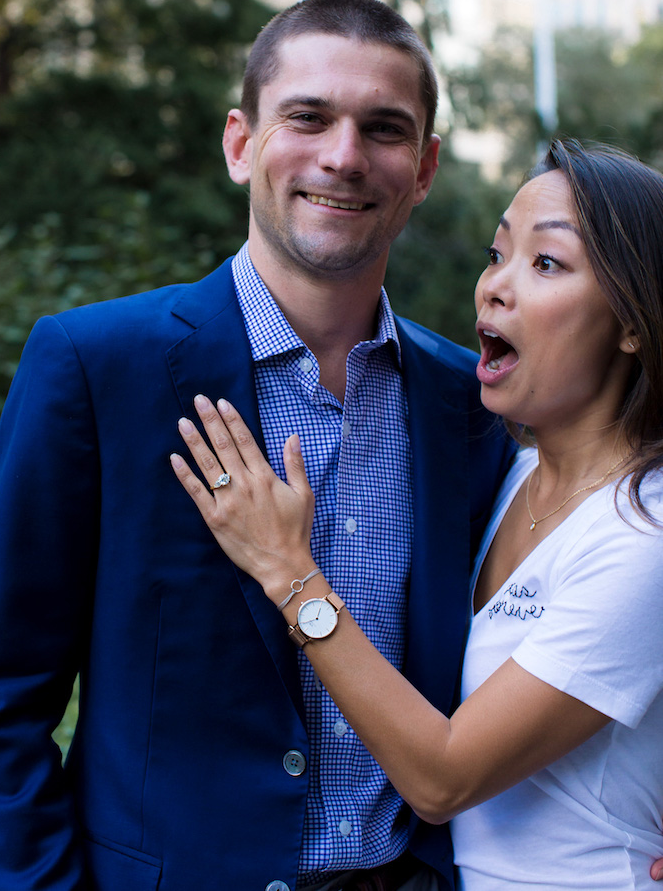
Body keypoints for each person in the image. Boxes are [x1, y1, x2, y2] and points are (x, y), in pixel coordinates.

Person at [0, 0, 515, 891]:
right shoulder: (97, 368)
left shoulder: (473, 403)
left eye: (384, 128)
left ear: (426, 167)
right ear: (240, 142)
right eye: (308, 116)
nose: (343, 155)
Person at [171, 138, 663, 890]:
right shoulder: (507, 475)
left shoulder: (642, 533)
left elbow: (441, 779)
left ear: (636, 322)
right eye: (497, 254)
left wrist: (289, 570)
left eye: (547, 264)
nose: (494, 287)